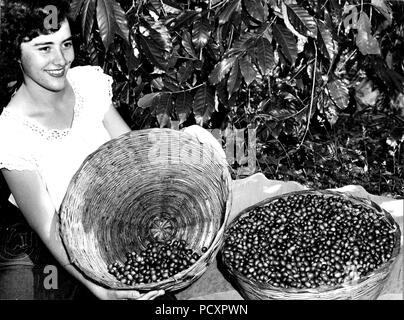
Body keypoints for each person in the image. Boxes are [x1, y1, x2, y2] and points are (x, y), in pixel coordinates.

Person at [0, 0, 224, 300]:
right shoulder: (11, 133)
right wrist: (105, 292)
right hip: (64, 251)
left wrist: (189, 147)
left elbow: (136, 155)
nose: (60, 59)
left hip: (120, 224)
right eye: (44, 48)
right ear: (16, 52)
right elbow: (48, 227)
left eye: (66, 44)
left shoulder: (86, 84)